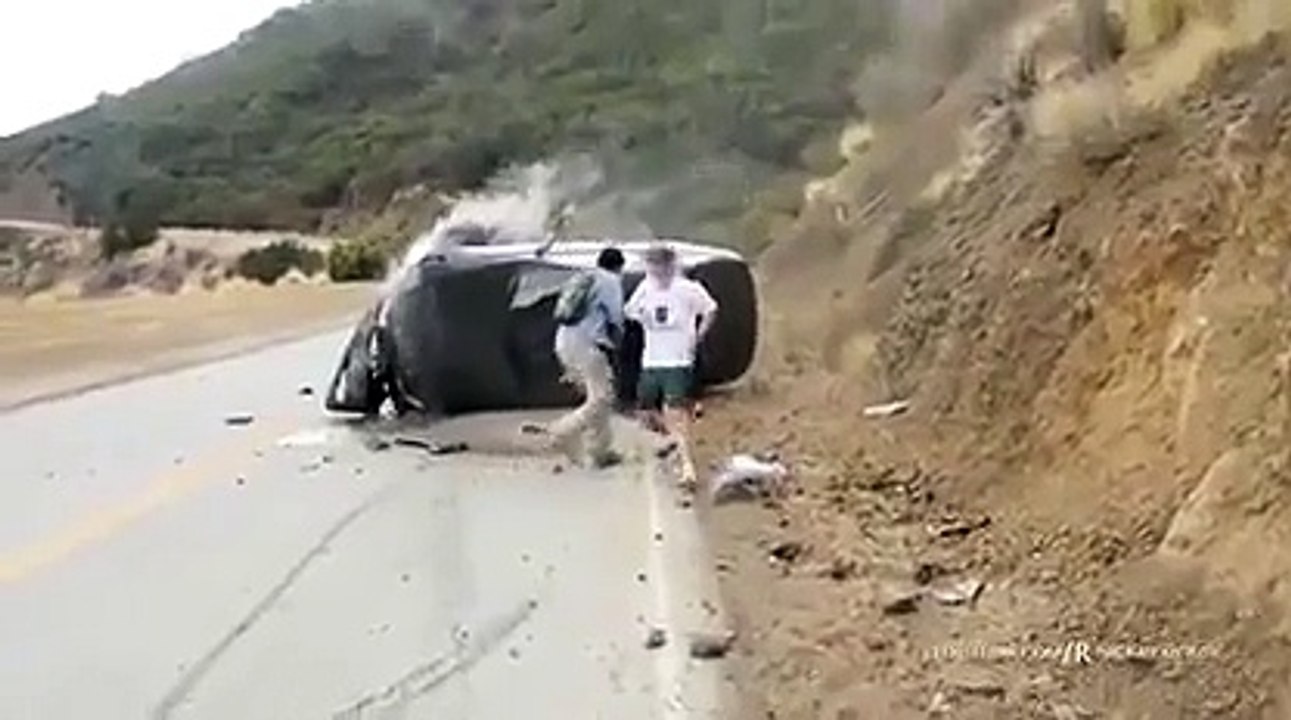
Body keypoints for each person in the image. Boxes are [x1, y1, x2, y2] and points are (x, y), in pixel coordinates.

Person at [625, 243, 718, 485]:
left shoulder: (688, 289)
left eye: (660, 266)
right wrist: (643, 316)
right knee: (645, 412)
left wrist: (699, 335)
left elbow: (710, 309)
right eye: (652, 266)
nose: (656, 271)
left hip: (678, 360)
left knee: (675, 412)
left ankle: (687, 466)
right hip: (652, 360)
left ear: (671, 266)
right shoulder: (645, 288)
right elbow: (630, 311)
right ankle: (673, 441)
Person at [546, 247, 627, 469]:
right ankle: (562, 432)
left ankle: (600, 451)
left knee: (600, 395)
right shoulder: (610, 282)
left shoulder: (584, 277)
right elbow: (616, 317)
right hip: (587, 344)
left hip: (563, 342)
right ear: (620, 266)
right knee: (600, 398)